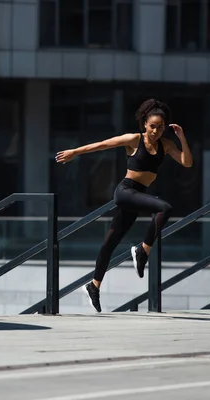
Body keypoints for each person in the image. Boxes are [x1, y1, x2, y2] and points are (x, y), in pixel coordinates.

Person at [55, 99, 193, 312]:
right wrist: (75, 152)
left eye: (160, 127)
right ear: (145, 124)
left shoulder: (166, 145)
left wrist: (181, 137)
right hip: (126, 191)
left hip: (138, 196)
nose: (156, 131)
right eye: (152, 126)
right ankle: (142, 251)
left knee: (110, 242)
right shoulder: (133, 140)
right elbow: (102, 144)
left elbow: (187, 162)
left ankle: (94, 285)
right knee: (164, 208)